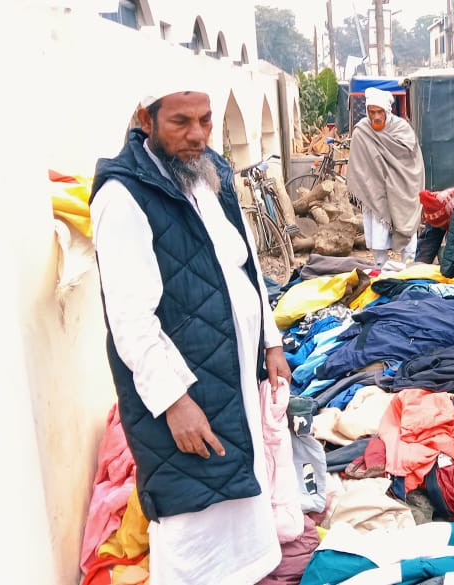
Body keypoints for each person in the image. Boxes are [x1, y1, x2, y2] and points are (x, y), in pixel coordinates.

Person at [91, 87, 292, 583]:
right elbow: (130, 320)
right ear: (145, 117)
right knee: (193, 518)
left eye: (204, 120)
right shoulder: (123, 196)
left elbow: (246, 267)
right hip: (184, 387)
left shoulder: (211, 173)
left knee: (244, 500)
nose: (197, 135)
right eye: (181, 122)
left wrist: (271, 341)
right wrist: (174, 401)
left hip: (236, 374)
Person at [347, 87, 425, 267]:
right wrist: (373, 185)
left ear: (387, 111)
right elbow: (359, 168)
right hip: (375, 193)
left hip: (402, 191)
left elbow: (412, 164)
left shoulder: (402, 129)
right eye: (371, 112)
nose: (375, 116)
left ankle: (409, 271)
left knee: (408, 232)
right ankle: (380, 270)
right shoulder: (362, 132)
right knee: (378, 236)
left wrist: (396, 182)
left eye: (379, 112)